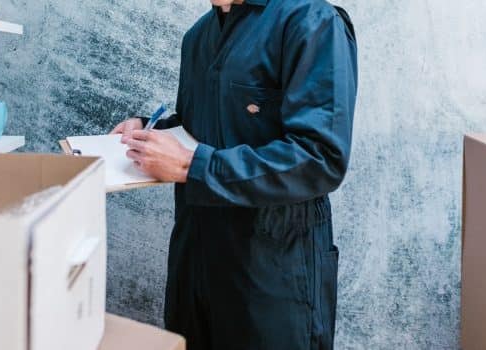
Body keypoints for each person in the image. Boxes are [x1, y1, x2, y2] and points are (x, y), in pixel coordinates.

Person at [110, 0, 357, 348]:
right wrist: (148, 131)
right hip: (194, 273)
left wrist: (189, 165)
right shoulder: (197, 37)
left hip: (273, 279)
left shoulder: (312, 21)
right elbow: (205, 128)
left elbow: (320, 157)